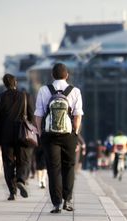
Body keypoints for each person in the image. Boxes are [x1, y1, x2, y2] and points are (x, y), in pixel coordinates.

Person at [35, 63, 83, 213]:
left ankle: (56, 203)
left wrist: (40, 132)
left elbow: (38, 115)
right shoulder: (75, 91)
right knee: (68, 167)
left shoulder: (44, 90)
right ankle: (67, 201)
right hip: (68, 134)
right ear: (67, 75)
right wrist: (75, 132)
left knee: (53, 168)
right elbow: (77, 115)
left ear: (52, 75)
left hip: (49, 134)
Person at [0, 74, 34, 200]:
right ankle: (21, 179)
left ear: (4, 84)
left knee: (8, 162)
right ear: (16, 82)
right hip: (22, 134)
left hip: (5, 135)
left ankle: (12, 192)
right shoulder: (25, 96)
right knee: (23, 159)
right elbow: (31, 116)